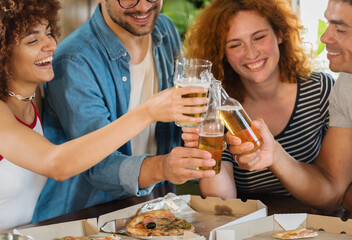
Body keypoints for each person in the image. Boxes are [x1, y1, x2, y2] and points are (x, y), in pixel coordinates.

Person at [0, 0, 212, 230]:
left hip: (38, 232)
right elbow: (57, 163)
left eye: (49, 33)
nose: (52, 45)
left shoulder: (36, 96)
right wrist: (148, 112)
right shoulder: (70, 64)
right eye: (33, 40)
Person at [182, 0, 335, 199]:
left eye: (259, 37)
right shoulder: (219, 108)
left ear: (280, 34)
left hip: (316, 220)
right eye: (235, 44)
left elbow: (334, 186)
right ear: (223, 54)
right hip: (250, 224)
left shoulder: (320, 90)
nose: (251, 53)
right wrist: (207, 153)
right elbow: (220, 200)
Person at [225, 0, 352, 216]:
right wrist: (275, 155)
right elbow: (333, 190)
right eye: (329, 24)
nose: (325, 38)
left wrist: (350, 196)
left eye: (340, 29)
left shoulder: (320, 87)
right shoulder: (347, 86)